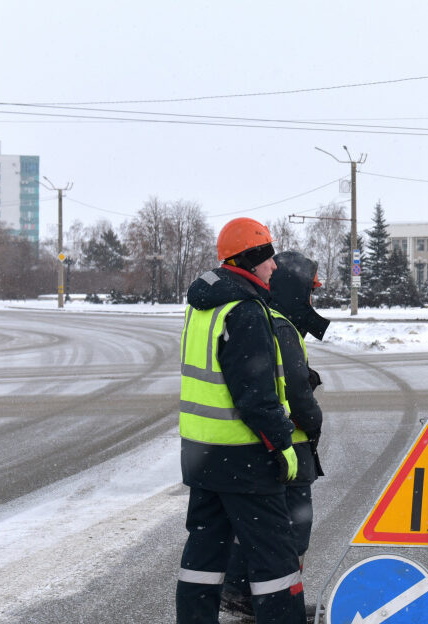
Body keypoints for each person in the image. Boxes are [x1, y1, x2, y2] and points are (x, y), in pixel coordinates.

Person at [176, 217, 306, 624]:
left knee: (203, 556)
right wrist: (282, 445)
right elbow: (256, 396)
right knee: (276, 560)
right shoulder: (245, 311)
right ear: (249, 260)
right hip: (244, 458)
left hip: (201, 454)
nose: (274, 266)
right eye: (267, 257)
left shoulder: (203, 307)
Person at [220, 251, 331, 620]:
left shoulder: (266, 318)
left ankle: (244, 593)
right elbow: (297, 394)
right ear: (296, 291)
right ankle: (274, 601)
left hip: (265, 446)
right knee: (291, 531)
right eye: (310, 292)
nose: (312, 301)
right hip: (289, 449)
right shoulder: (281, 326)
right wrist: (313, 422)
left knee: (260, 527)